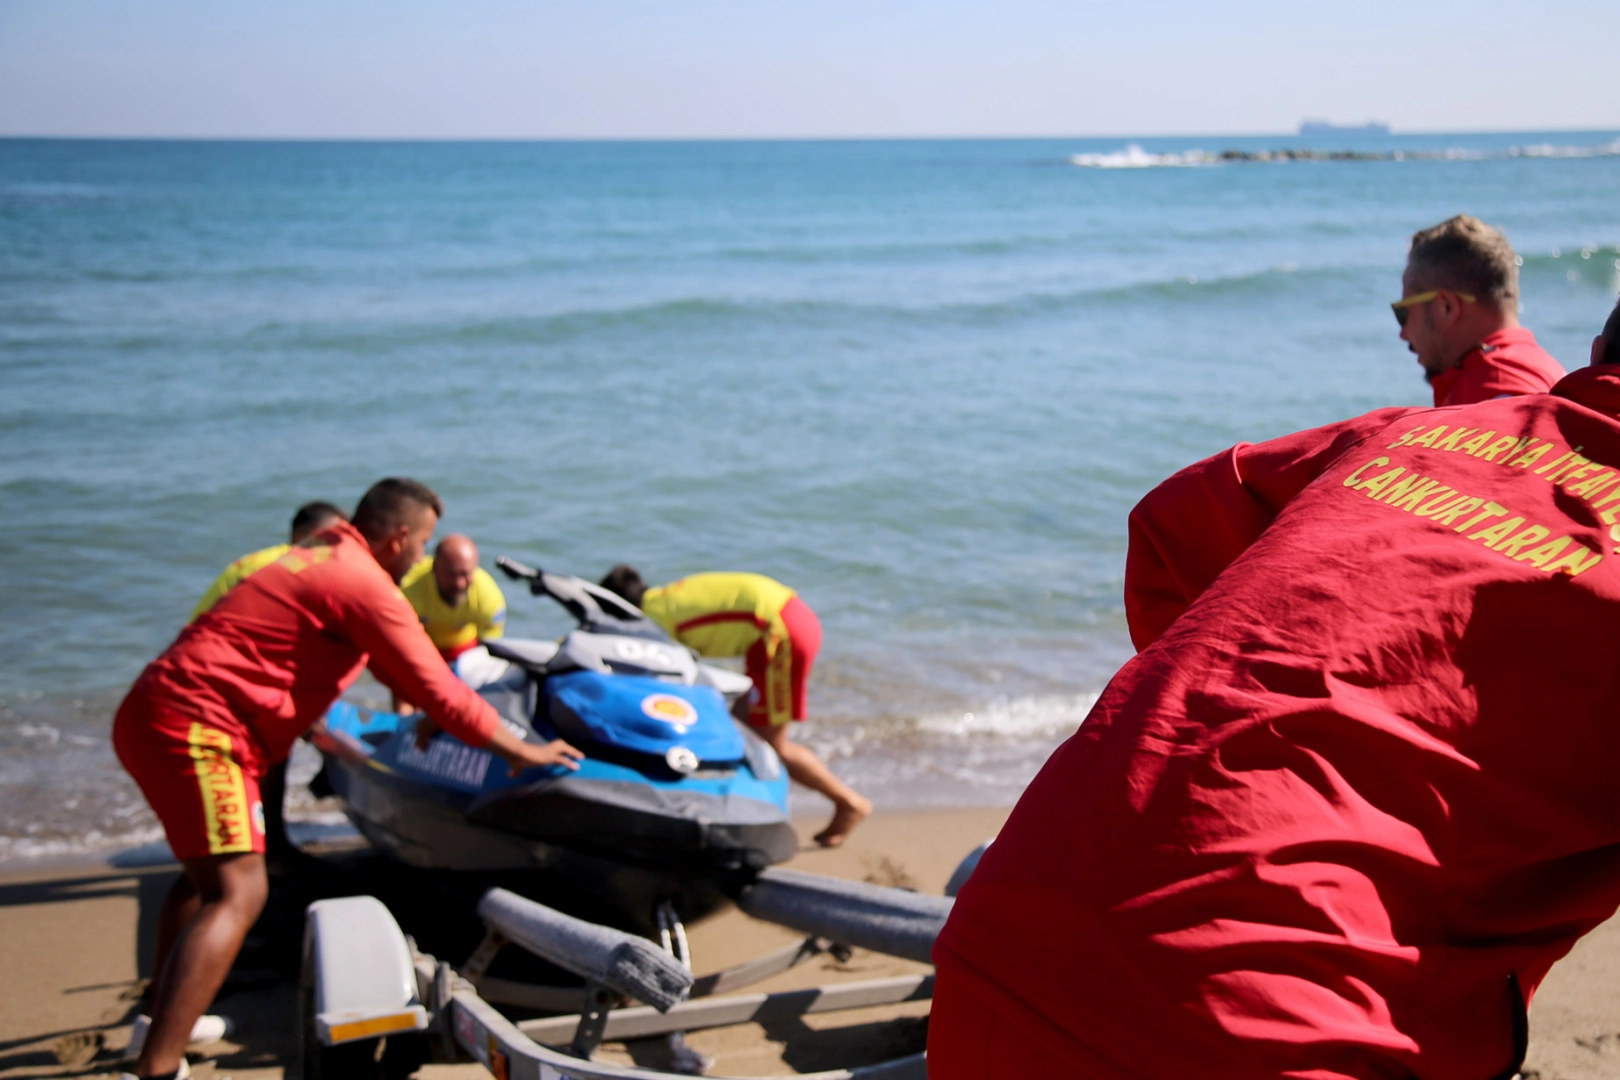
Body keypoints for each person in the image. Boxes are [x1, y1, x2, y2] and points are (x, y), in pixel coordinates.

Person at [932, 298, 1620, 1079]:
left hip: (1002, 953)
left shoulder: (1414, 432)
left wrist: (1242, 711)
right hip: (1272, 1023)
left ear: (1597, 349)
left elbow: (1168, 525)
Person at [114, 479, 583, 1080]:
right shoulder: (364, 582)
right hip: (201, 730)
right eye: (423, 544)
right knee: (241, 891)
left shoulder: (317, 556)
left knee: (204, 878)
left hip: (154, 711)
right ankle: (156, 1069)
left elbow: (283, 651)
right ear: (400, 537)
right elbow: (442, 692)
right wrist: (522, 751)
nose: (420, 558)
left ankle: (160, 1017)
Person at [600, 567, 871, 847]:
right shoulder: (663, 600)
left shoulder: (653, 621)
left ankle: (847, 802)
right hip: (782, 622)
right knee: (737, 727)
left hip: (779, 633)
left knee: (768, 742)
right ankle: (736, 809)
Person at [188, 500, 348, 866]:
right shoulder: (297, 569)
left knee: (268, 760)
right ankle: (262, 850)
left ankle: (265, 845)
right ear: (313, 537)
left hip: (210, 683)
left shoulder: (250, 564)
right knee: (266, 762)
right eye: (338, 538)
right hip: (233, 688)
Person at [1393, 213, 1564, 406]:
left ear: (1446, 307)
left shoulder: (1497, 391)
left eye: (1403, 313)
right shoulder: (1544, 369)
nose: (1403, 334)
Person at [188, 501, 347, 621]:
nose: (344, 546)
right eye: (338, 537)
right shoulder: (293, 566)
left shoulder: (264, 558)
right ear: (316, 535)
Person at [399, 533, 507, 661]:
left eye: (465, 574)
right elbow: (399, 640)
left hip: (465, 649)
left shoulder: (489, 598)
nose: (459, 583)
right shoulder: (409, 588)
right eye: (451, 574)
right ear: (435, 569)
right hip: (421, 648)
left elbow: (489, 647)